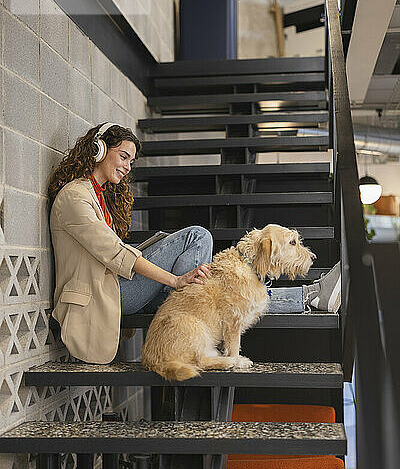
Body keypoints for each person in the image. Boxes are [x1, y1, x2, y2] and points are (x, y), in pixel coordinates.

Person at [48, 122, 340, 365]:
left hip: (115, 286)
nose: (127, 167)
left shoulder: (99, 195)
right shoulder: (75, 196)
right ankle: (308, 296)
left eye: (131, 161)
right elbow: (114, 253)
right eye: (123, 156)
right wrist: (176, 281)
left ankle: (308, 296)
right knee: (198, 240)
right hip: (103, 294)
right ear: (98, 149)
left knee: (232, 296)